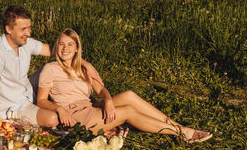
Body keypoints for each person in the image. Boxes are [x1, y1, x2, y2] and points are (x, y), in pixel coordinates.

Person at [37, 28, 213, 143]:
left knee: (129, 95)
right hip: (76, 115)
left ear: (77, 48)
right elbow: (41, 100)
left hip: (92, 106)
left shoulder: (84, 67)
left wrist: (107, 100)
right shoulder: (50, 69)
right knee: (128, 111)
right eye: (61, 44)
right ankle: (179, 131)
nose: (65, 48)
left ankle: (179, 127)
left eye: (70, 44)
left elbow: (101, 89)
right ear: (56, 47)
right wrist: (59, 109)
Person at [0, 6, 102, 128]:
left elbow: (57, 51)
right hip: (14, 105)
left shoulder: (24, 42)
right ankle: (16, 119)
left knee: (50, 69)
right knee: (53, 119)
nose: (28, 33)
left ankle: (81, 100)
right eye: (24, 29)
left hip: (28, 92)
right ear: (9, 29)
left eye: (29, 27)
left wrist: (86, 64)